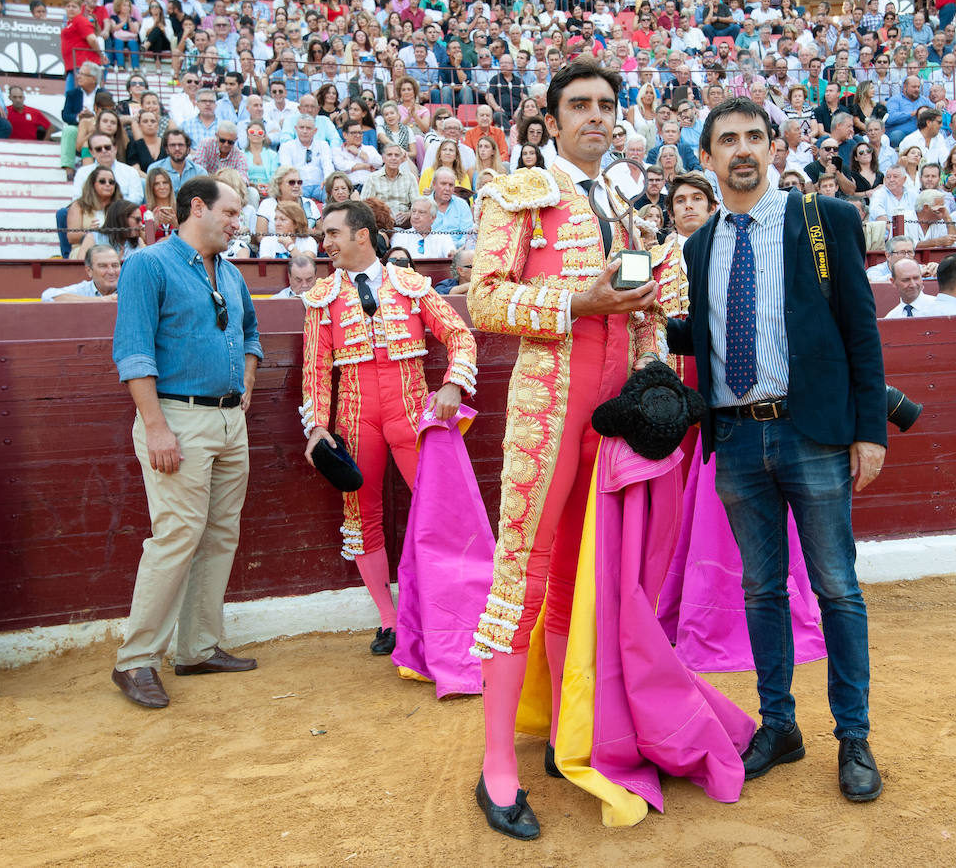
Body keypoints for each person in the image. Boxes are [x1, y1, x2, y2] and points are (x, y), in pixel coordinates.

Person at [669, 95, 886, 802]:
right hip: (734, 437)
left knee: (836, 590)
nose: (741, 149)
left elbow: (861, 330)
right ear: (706, 159)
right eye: (726, 139)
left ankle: (853, 736)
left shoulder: (826, 221)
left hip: (811, 432)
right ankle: (779, 725)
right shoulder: (697, 247)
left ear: (773, 148)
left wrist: (870, 431)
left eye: (753, 137)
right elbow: (699, 334)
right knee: (761, 592)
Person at [468, 60, 663, 840]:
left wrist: (652, 362)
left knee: (577, 578)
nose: (593, 116)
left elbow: (644, 310)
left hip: (609, 413)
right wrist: (579, 301)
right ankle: (495, 766)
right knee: (523, 574)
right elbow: (482, 297)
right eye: (577, 105)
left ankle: (558, 734)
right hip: (549, 409)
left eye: (605, 106)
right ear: (550, 120)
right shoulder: (520, 194)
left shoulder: (623, 201)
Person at [109, 175, 263, 709]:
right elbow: (133, 351)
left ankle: (197, 646)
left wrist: (246, 381)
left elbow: (251, 335)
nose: (237, 222)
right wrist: (155, 426)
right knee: (176, 535)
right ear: (197, 207)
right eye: (232, 212)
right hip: (176, 416)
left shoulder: (231, 273)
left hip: (226, 421)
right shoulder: (148, 265)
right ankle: (135, 660)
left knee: (220, 533)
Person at [301, 199, 477, 654]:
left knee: (440, 508)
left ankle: (451, 608)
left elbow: (459, 334)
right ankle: (389, 619)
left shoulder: (411, 285)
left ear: (361, 235)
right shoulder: (322, 298)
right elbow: (316, 370)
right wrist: (318, 427)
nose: (326, 243)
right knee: (362, 515)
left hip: (412, 408)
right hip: (356, 415)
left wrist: (454, 384)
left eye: (333, 234)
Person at [360, 143, 419, 224]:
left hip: (406, 224)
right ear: (383, 158)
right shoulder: (372, 178)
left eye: (397, 155)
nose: (393, 158)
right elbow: (364, 205)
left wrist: (409, 214)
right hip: (381, 224)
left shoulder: (410, 177)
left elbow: (417, 204)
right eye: (389, 155)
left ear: (401, 159)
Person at [41, 244, 123, 302]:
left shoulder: (129, 288)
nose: (111, 271)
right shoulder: (84, 289)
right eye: (103, 266)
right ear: (89, 271)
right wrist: (101, 300)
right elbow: (48, 296)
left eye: (115, 265)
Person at [390, 197, 455, 259]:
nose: (416, 216)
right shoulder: (400, 236)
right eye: (413, 211)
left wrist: (453, 254)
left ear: (433, 218)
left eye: (421, 212)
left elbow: (451, 255)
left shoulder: (444, 237)